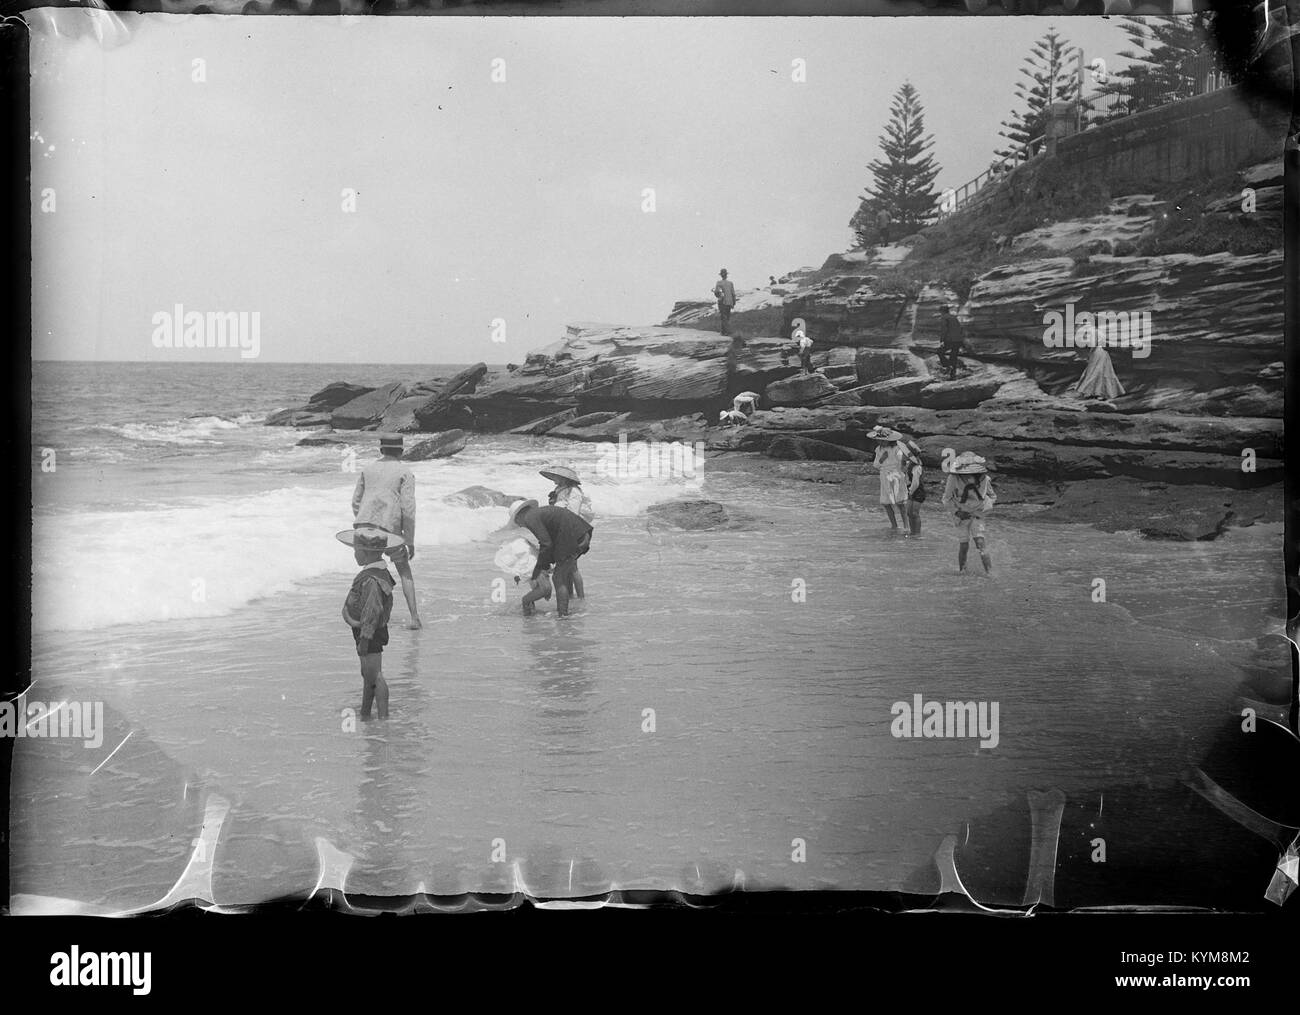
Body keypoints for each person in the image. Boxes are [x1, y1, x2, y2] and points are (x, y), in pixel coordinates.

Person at [351, 434, 422, 629]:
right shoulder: (405, 472)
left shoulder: (367, 469)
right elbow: (408, 509)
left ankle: (364, 612)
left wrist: (364, 522)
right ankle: (414, 618)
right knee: (404, 570)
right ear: (401, 451)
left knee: (369, 567)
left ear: (381, 450)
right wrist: (409, 540)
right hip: (389, 532)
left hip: (363, 526)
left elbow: (356, 502)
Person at [336, 525, 405, 720]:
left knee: (375, 676)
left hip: (369, 632)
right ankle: (365, 713)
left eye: (356, 550)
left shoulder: (371, 579)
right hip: (370, 630)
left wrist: (363, 636)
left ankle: (383, 718)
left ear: (366, 553)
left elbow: (372, 611)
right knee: (368, 674)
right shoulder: (378, 573)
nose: (354, 554)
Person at [506, 499, 593, 618]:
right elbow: (550, 541)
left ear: (519, 517)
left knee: (558, 577)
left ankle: (563, 617)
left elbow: (546, 543)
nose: (521, 525)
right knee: (564, 571)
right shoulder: (538, 513)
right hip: (580, 532)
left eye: (518, 523)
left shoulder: (530, 518)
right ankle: (568, 610)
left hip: (572, 535)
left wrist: (540, 567)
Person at [541, 465, 594, 599]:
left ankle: (580, 598)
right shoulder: (560, 490)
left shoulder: (574, 491)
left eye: (557, 477)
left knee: (572, 566)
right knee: (567, 567)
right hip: (563, 528)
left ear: (564, 478)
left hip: (572, 529)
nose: (554, 479)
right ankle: (571, 596)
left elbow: (573, 513)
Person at [941, 452, 997, 575]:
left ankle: (990, 574)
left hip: (977, 514)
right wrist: (957, 512)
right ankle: (962, 572)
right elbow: (946, 498)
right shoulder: (953, 478)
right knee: (964, 545)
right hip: (961, 515)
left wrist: (985, 509)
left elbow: (992, 496)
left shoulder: (984, 479)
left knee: (980, 543)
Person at [868, 426, 911, 533]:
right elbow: (876, 465)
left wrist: (906, 473)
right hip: (884, 477)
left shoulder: (897, 449)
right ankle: (894, 525)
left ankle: (906, 526)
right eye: (879, 440)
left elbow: (903, 462)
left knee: (901, 502)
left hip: (896, 476)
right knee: (886, 503)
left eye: (883, 440)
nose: (880, 442)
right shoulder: (878, 449)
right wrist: (882, 459)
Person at [937, 305, 965, 380]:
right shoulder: (954, 317)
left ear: (942, 311)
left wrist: (942, 341)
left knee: (939, 352)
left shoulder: (944, 318)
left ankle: (947, 365)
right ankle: (953, 375)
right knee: (953, 356)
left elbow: (944, 330)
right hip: (958, 341)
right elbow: (960, 328)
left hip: (951, 340)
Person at [713, 268, 737, 336]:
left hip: (722, 302)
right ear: (726, 275)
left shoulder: (719, 283)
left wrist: (716, 293)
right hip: (729, 302)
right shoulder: (730, 283)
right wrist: (734, 301)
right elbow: (733, 293)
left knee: (723, 317)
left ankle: (726, 332)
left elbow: (717, 293)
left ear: (721, 275)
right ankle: (724, 331)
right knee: (727, 316)